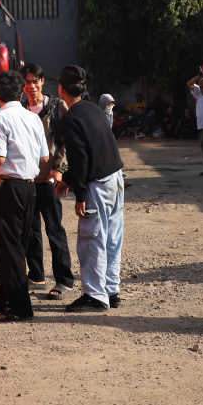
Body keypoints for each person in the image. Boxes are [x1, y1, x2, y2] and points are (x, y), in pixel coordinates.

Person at [0, 71, 49, 322]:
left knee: (8, 248)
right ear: (20, 91)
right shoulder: (33, 118)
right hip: (30, 187)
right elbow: (44, 157)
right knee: (18, 245)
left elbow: (0, 158)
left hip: (9, 187)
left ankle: (20, 307)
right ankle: (4, 298)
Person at [53, 65, 125, 310]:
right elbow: (91, 152)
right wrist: (69, 180)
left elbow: (79, 158)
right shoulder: (92, 109)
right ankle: (111, 290)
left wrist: (79, 194)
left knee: (91, 238)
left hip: (98, 184)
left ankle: (95, 296)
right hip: (115, 177)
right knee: (112, 238)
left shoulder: (71, 118)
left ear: (61, 89)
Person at [19, 64, 75, 299]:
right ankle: (37, 276)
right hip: (27, 180)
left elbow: (67, 141)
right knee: (31, 231)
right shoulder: (20, 109)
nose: (30, 87)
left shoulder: (56, 106)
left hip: (49, 179)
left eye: (35, 81)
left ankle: (64, 280)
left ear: (42, 82)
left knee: (54, 230)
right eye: (26, 82)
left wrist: (59, 170)